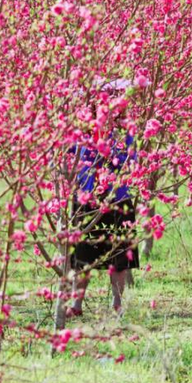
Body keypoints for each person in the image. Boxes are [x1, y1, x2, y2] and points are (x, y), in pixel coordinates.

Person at [68, 108, 139, 317]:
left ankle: (117, 303)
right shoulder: (81, 132)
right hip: (86, 199)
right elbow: (67, 160)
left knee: (119, 254)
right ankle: (76, 304)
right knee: (82, 255)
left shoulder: (124, 132)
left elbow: (131, 160)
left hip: (118, 199)